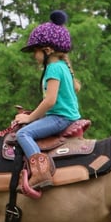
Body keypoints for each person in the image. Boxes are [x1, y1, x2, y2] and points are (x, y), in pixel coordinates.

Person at [14, 10, 82, 190]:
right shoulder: (62, 66)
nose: (34, 55)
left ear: (47, 50)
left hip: (60, 118)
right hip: (64, 116)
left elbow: (50, 101)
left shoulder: (53, 68)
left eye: (35, 51)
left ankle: (40, 172)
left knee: (23, 134)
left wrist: (29, 118)